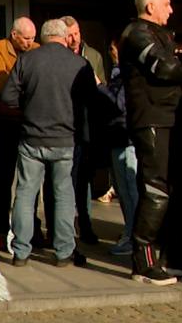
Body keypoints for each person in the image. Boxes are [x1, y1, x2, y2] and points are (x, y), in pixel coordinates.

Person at [119, 0, 182, 285]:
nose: (171, 10)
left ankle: (173, 252)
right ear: (150, 6)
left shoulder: (161, 35)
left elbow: (176, 66)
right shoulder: (137, 33)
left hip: (173, 119)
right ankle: (143, 261)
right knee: (156, 188)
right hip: (151, 118)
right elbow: (166, 68)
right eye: (167, 4)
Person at [0, 19, 97, 267]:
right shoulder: (79, 63)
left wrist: (28, 109)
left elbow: (9, 97)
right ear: (64, 37)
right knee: (64, 195)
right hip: (65, 138)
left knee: (24, 193)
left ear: (42, 37)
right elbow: (91, 101)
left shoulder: (27, 60)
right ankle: (64, 251)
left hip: (32, 137)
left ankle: (21, 251)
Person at [0, 16, 40, 252]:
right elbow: (0, 81)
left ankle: (33, 229)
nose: (30, 43)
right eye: (26, 38)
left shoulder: (38, 50)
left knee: (32, 180)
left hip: (30, 120)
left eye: (32, 38)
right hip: (7, 121)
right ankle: (0, 230)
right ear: (14, 35)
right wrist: (27, 86)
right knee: (5, 177)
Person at [58, 15, 105, 244]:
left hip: (86, 126)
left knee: (83, 179)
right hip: (65, 126)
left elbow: (101, 92)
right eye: (70, 34)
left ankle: (85, 224)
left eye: (77, 33)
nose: (75, 38)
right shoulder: (59, 58)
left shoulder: (93, 56)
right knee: (64, 179)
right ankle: (65, 227)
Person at [102, 38, 138, 256]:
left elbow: (119, 104)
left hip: (128, 138)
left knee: (130, 190)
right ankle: (130, 232)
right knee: (124, 191)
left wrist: (99, 87)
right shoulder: (118, 72)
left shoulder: (126, 73)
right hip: (118, 137)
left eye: (114, 50)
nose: (111, 54)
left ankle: (133, 236)